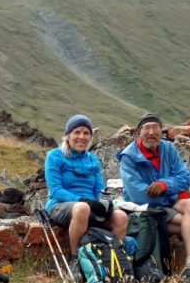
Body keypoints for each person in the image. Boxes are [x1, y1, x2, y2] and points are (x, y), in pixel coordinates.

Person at [117, 113, 190, 283]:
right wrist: (171, 193)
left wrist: (164, 185)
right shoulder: (129, 157)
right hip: (144, 209)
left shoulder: (168, 149)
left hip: (166, 200)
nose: (151, 132)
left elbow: (184, 178)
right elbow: (137, 194)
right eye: (146, 128)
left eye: (155, 127)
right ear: (139, 133)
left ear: (161, 131)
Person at [44, 115, 128, 273]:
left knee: (121, 216)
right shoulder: (54, 156)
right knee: (82, 208)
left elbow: (99, 190)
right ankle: (75, 261)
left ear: (90, 137)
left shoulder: (93, 160)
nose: (81, 137)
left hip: (87, 206)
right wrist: (82, 201)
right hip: (59, 205)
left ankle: (114, 261)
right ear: (68, 135)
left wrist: (105, 202)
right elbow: (55, 189)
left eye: (86, 133)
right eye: (76, 132)